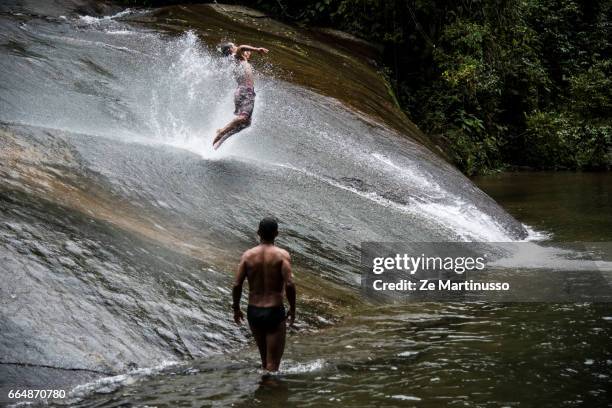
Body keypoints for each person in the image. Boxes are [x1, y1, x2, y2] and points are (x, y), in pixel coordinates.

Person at [232, 217, 296, 373]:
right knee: (273, 365)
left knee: (264, 362)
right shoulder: (282, 255)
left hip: (253, 311)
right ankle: (270, 394)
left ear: (258, 232)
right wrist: (293, 309)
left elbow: (237, 284)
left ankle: (261, 394)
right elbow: (289, 284)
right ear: (277, 234)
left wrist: (236, 308)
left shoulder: (247, 256)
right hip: (274, 311)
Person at [213, 42, 269, 149]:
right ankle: (222, 131)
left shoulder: (238, 60)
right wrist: (257, 49)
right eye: (234, 46)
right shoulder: (237, 57)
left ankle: (221, 140)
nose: (237, 47)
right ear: (230, 50)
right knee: (243, 118)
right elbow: (242, 47)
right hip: (245, 90)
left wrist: (249, 53)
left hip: (246, 91)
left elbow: (244, 50)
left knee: (246, 123)